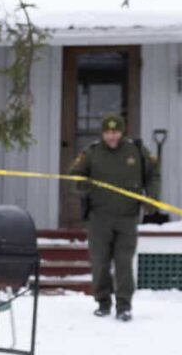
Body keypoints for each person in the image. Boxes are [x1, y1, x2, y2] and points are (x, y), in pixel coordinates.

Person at [68, 112, 159, 322]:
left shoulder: (136, 151)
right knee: (100, 262)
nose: (111, 136)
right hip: (99, 217)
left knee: (124, 263)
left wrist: (151, 198)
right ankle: (103, 302)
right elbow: (74, 174)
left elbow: (153, 173)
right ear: (102, 133)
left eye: (115, 132)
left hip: (127, 217)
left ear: (122, 131)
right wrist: (82, 184)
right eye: (107, 132)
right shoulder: (91, 152)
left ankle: (124, 305)